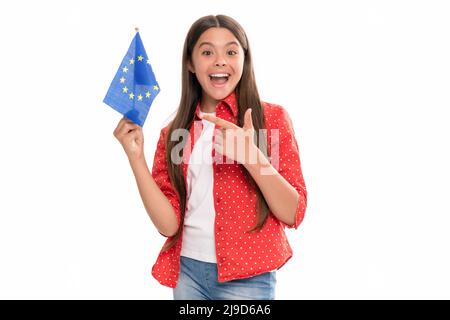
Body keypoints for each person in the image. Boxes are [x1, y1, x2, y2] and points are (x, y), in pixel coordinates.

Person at [113, 14, 307, 300]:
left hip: (248, 278)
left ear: (244, 59)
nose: (219, 60)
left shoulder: (271, 121)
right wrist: (135, 158)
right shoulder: (176, 134)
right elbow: (168, 225)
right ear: (190, 63)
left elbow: (293, 212)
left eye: (231, 51)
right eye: (207, 52)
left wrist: (251, 156)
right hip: (188, 273)